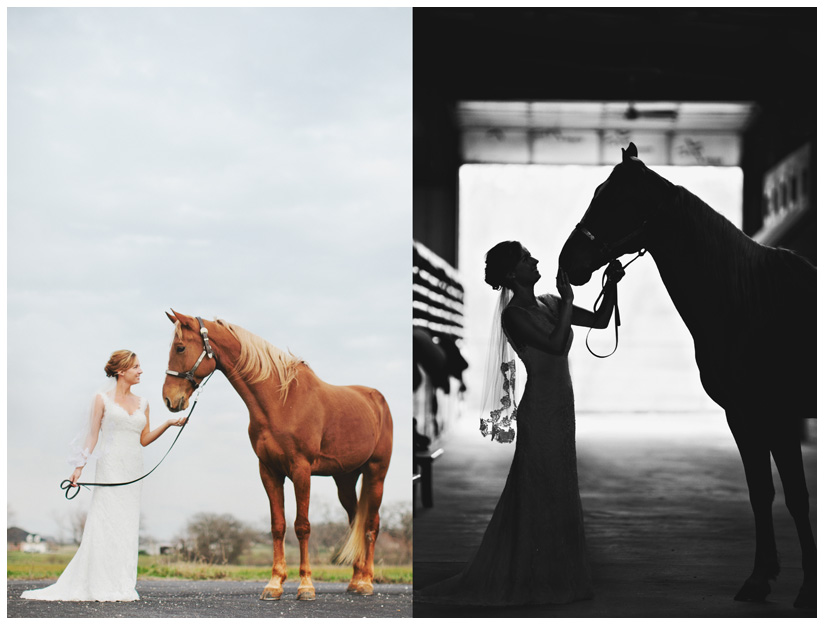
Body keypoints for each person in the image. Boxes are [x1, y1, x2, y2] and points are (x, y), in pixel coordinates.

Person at [417, 240, 624, 606]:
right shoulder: (514, 315)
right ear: (513, 273)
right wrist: (568, 298)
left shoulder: (548, 302)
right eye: (528, 259)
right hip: (541, 410)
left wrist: (611, 285)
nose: (537, 260)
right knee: (540, 488)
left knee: (560, 487)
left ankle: (552, 571)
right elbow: (557, 345)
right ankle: (534, 573)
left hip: (562, 408)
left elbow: (601, 320)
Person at [22, 350, 188, 602]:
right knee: (106, 521)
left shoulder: (143, 403)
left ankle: (121, 582)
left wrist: (168, 425)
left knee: (127, 525)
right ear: (121, 371)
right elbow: (92, 435)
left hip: (133, 469)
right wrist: (79, 467)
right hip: (110, 467)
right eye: (136, 367)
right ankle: (98, 581)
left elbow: (143, 440)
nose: (141, 371)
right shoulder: (101, 399)